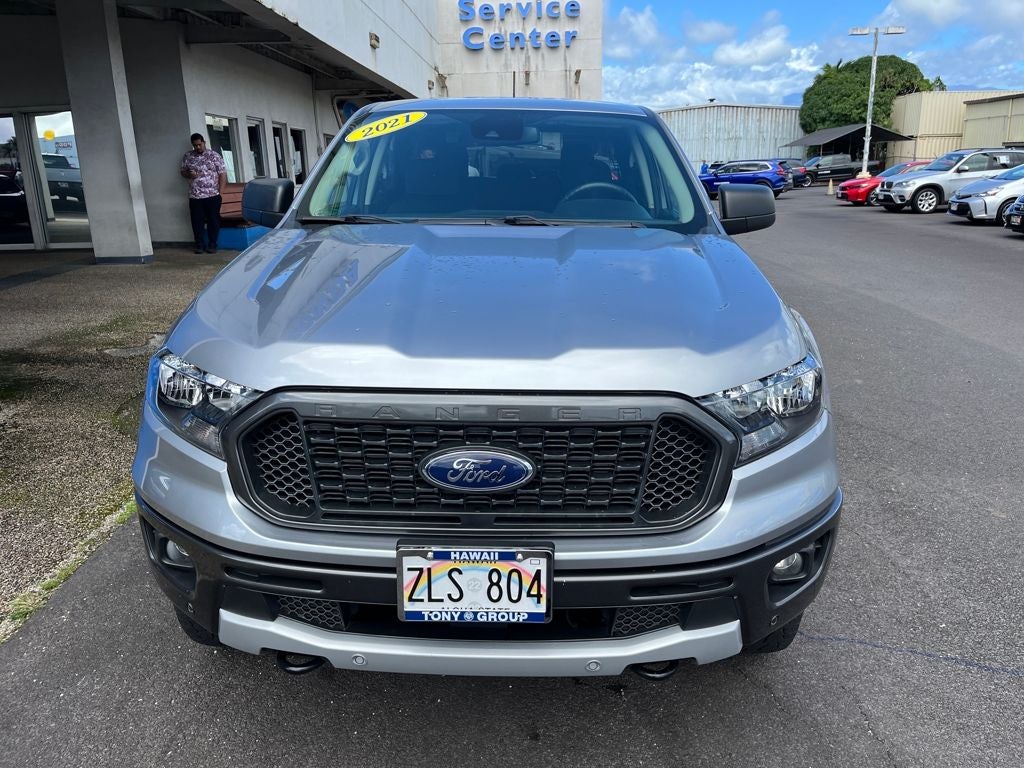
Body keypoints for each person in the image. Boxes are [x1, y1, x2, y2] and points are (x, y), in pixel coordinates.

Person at [180, 133, 226, 253]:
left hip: (212, 195)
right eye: (195, 146)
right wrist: (189, 174)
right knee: (196, 222)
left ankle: (212, 244)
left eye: (199, 144)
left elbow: (222, 174)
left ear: (204, 142)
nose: (198, 147)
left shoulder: (214, 156)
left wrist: (220, 193)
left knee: (213, 221)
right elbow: (183, 172)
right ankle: (199, 245)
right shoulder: (188, 156)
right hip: (195, 196)